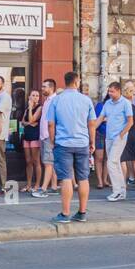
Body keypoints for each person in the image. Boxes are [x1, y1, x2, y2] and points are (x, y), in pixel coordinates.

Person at [48, 71, 97, 223]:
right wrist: (92, 142)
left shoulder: (56, 100)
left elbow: (51, 124)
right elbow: (92, 123)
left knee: (66, 178)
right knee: (83, 178)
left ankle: (65, 213)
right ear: (77, 82)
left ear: (65, 81)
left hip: (63, 143)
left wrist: (52, 141)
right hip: (82, 143)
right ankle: (82, 212)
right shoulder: (86, 100)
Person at [95, 81, 134, 202]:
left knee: (111, 163)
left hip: (119, 137)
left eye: (112, 91)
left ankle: (117, 191)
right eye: (109, 91)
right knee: (115, 163)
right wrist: (91, 130)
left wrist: (122, 134)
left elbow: (130, 121)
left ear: (118, 91)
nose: (110, 93)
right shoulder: (107, 103)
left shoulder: (126, 103)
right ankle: (122, 191)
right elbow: (100, 118)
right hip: (108, 137)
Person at [34, 78, 58, 198]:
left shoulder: (54, 101)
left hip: (49, 136)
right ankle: (53, 187)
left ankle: (43, 189)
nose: (42, 88)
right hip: (44, 136)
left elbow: (52, 122)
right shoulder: (47, 101)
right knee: (50, 163)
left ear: (51, 88)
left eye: (44, 87)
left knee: (48, 163)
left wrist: (51, 137)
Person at [21, 88, 43, 193]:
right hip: (27, 136)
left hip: (35, 136)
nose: (35, 97)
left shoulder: (40, 107)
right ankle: (29, 184)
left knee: (36, 161)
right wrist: (30, 123)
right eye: (33, 95)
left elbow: (31, 119)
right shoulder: (26, 109)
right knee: (28, 161)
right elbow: (23, 122)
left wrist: (30, 110)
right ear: (29, 97)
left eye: (37, 95)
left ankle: (37, 184)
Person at [92, 92, 109, 189]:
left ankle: (105, 180)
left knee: (107, 158)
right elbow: (95, 119)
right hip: (99, 134)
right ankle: (99, 181)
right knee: (99, 158)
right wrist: (104, 119)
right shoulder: (100, 105)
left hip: (111, 134)